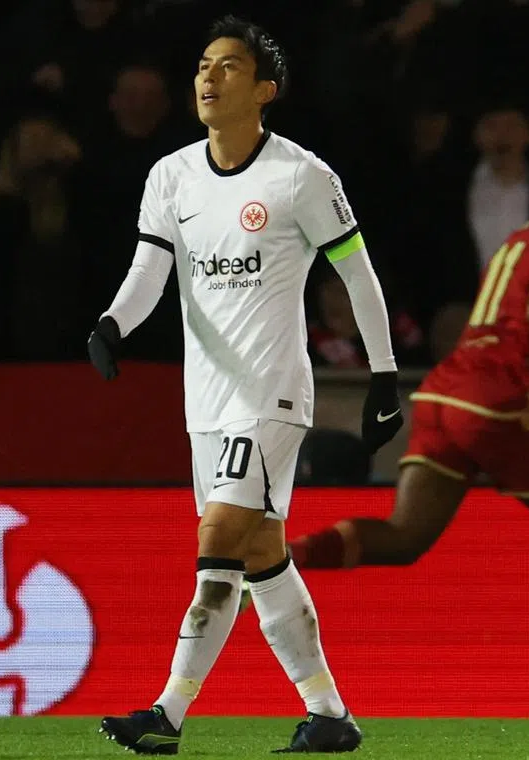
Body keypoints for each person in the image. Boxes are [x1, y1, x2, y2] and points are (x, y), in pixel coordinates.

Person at [88, 16, 403, 754]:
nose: (208, 77)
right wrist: (112, 324)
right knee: (261, 552)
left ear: (265, 89)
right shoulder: (171, 175)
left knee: (217, 537)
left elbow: (357, 275)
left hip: (271, 393)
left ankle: (167, 714)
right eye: (203, 65)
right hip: (207, 400)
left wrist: (384, 374)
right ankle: (330, 715)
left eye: (228, 67)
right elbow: (150, 272)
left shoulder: (302, 177)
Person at [289, 153, 529, 716]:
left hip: (441, 394)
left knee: (406, 536)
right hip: (494, 398)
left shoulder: (520, 241)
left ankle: (278, 561)